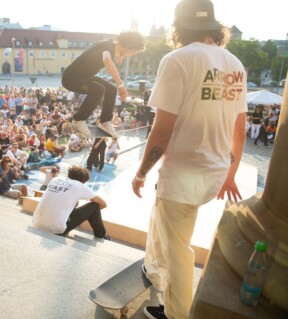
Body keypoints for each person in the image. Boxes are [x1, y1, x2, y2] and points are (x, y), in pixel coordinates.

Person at [131, 1, 247, 318]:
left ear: (178, 28)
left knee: (178, 249)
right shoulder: (235, 63)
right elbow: (240, 128)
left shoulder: (177, 60)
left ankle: (177, 314)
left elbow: (162, 130)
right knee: (162, 219)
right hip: (215, 171)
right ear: (213, 26)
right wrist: (230, 173)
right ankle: (154, 271)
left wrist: (141, 173)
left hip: (183, 174)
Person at [62, 31, 144, 138]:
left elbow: (100, 52)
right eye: (133, 53)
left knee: (111, 89)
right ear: (129, 47)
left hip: (83, 77)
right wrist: (121, 84)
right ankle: (78, 120)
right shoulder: (109, 48)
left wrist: (119, 54)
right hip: (71, 78)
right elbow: (106, 59)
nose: (130, 56)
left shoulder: (109, 44)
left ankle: (105, 122)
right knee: (98, 89)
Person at [32, 165, 109, 239]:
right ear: (83, 180)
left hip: (37, 223)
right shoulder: (79, 186)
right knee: (94, 206)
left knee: (74, 202)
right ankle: (101, 235)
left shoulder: (55, 180)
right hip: (56, 230)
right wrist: (83, 217)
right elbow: (103, 204)